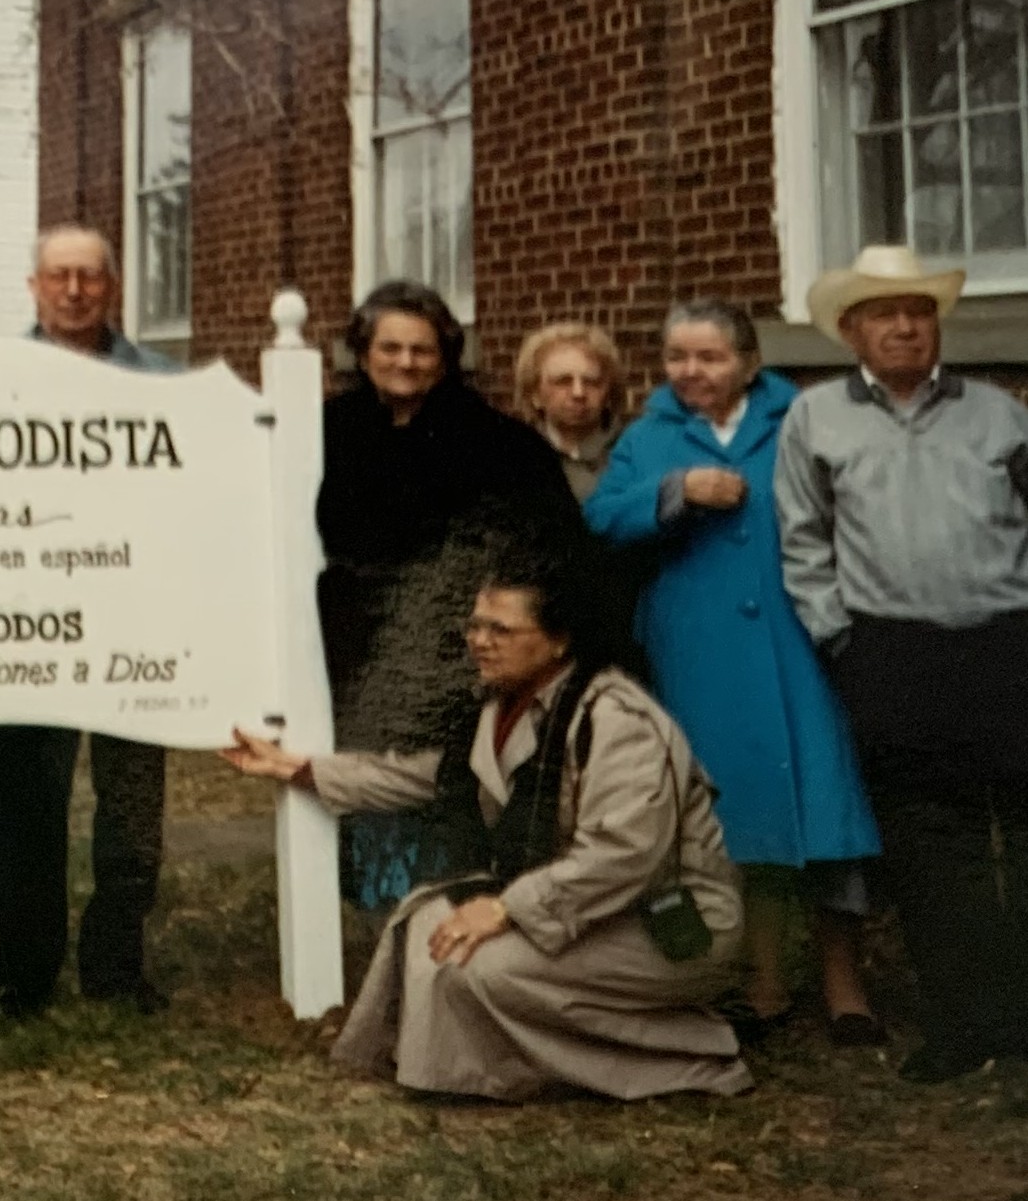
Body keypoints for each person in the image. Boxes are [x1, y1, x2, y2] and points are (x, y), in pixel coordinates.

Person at [222, 559, 751, 1102]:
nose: (479, 641)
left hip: (669, 921)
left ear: (559, 641)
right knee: (430, 924)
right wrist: (299, 769)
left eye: (500, 629)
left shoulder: (618, 720)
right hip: (587, 908)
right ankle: (467, 1069)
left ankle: (693, 1052)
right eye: (475, 625)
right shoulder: (506, 705)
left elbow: (624, 855)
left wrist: (504, 908)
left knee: (484, 969)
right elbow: (425, 777)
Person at [585, 300, 882, 1043]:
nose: (691, 371)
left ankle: (846, 987)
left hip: (797, 636)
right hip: (699, 648)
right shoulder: (649, 435)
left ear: (749, 362)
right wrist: (674, 491)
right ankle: (763, 980)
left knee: (828, 807)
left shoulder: (798, 419)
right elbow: (599, 520)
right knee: (737, 817)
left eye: (710, 357)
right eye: (677, 357)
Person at [776, 245, 1028, 1082]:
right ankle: (964, 1020)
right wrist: (840, 637)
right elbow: (803, 537)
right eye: (883, 313)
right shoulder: (816, 418)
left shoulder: (998, 413)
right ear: (851, 330)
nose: (904, 327)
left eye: (918, 311)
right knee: (928, 841)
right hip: (892, 651)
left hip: (1007, 640)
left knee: (1021, 826)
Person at [318, 281, 578, 911]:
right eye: (390, 348)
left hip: (456, 663)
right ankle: (388, 926)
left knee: (444, 805)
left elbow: (546, 550)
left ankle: (446, 920)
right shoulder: (327, 432)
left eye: (422, 350)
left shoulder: (497, 443)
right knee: (368, 800)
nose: (406, 362)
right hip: (356, 658)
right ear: (363, 353)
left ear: (445, 358)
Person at [14, 224, 177, 1014]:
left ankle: (115, 962)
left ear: (112, 286)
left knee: (133, 803)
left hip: (133, 617)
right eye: (59, 276)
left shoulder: (166, 384)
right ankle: (25, 968)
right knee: (30, 797)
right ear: (34, 286)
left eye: (89, 276)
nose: (74, 291)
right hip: (30, 619)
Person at [514, 321, 625, 502]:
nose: (578, 393)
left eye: (591, 382)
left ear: (609, 392)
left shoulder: (633, 454)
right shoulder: (516, 460)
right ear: (535, 394)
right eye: (563, 381)